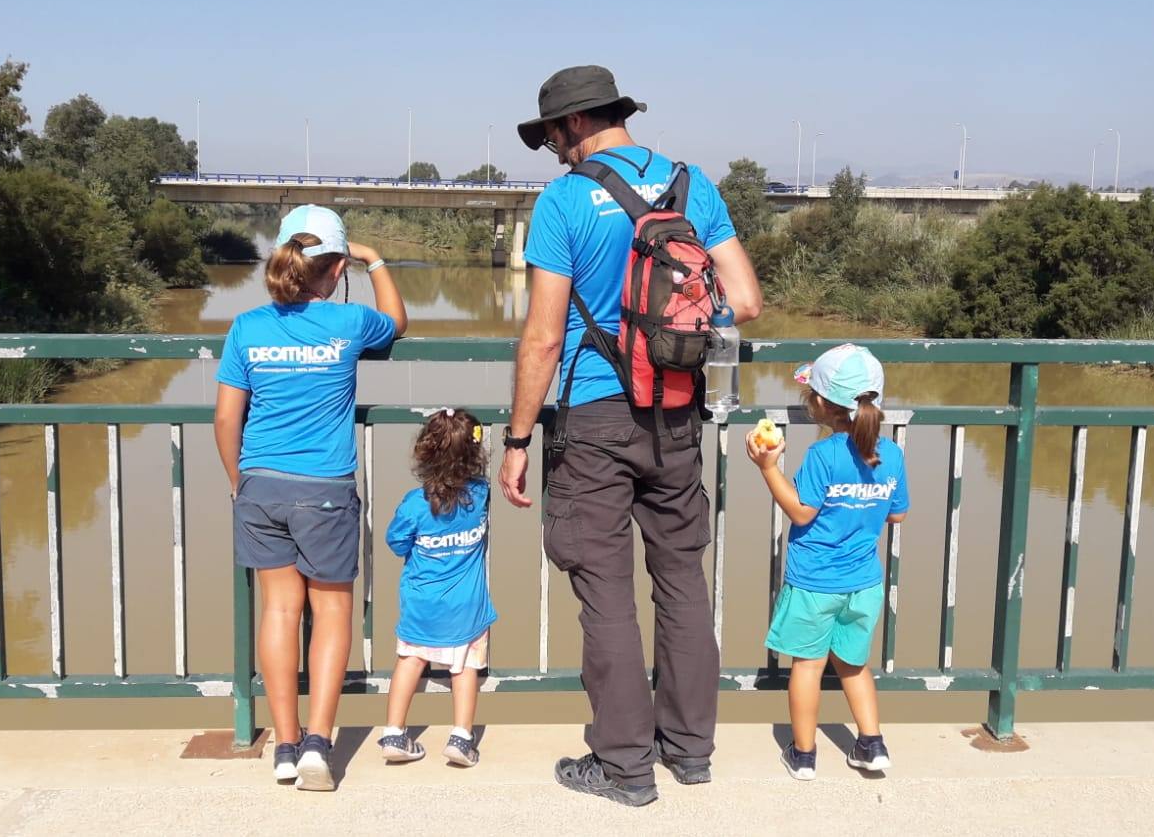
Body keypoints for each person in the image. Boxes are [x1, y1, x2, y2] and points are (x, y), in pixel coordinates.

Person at [499, 65, 762, 806]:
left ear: (576, 123)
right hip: (677, 412)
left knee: (606, 593)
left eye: (551, 133)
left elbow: (543, 340)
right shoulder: (691, 183)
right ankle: (689, 751)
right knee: (682, 582)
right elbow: (746, 300)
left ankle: (624, 768)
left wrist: (518, 441)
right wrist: (673, 337)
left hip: (595, 420)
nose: (551, 147)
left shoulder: (563, 201)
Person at [213, 204, 407, 791]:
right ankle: (320, 747)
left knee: (278, 611)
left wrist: (237, 481)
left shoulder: (247, 326)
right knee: (332, 611)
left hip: (260, 485)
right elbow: (397, 321)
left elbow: (226, 418)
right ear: (336, 267)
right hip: (325, 489)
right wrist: (376, 262)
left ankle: (284, 747)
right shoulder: (348, 323)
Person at [744, 344, 909, 781]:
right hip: (865, 583)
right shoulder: (891, 453)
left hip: (816, 582)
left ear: (818, 403)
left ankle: (803, 755)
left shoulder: (823, 455)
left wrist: (768, 467)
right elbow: (897, 512)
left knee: (808, 666)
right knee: (854, 665)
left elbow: (801, 511)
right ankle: (871, 745)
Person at [377, 408, 496, 769]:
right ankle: (461, 737)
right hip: (467, 606)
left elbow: (396, 543)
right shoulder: (481, 494)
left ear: (424, 454)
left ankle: (394, 732)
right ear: (475, 456)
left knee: (410, 660)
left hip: (421, 603)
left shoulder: (414, 505)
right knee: (465, 668)